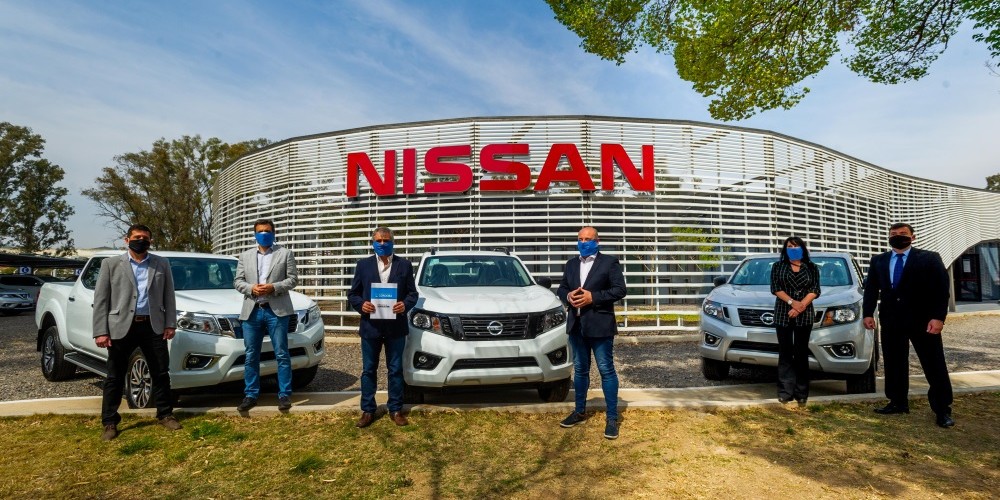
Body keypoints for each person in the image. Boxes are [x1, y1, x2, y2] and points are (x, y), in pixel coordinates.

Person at [93, 224, 180, 441]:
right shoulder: (111, 264)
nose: (141, 240)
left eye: (145, 238)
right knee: (114, 376)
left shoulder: (161, 263)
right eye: (137, 237)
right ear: (127, 239)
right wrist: (100, 331)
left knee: (161, 373)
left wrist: (171, 323)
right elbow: (101, 300)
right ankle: (110, 421)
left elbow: (169, 296)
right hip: (121, 327)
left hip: (153, 326)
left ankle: (165, 414)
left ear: (150, 241)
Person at [863, 223, 954, 428]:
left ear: (913, 237)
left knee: (934, 364)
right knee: (894, 363)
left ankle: (942, 409)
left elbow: (941, 290)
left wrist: (938, 317)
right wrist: (867, 313)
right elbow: (871, 289)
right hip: (892, 321)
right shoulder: (879, 260)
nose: (897, 237)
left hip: (923, 321)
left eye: (903, 234)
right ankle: (897, 402)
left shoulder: (930, 258)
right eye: (893, 234)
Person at [557, 226, 627, 440]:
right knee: (580, 370)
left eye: (588, 239)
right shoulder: (571, 264)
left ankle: (612, 418)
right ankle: (579, 411)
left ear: (597, 241)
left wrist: (593, 297)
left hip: (600, 325)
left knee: (606, 370)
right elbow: (561, 288)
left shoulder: (609, 263)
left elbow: (620, 290)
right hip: (577, 326)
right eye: (580, 238)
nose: (583, 242)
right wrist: (567, 296)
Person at [347, 227, 419, 428]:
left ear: (392, 241)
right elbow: (353, 294)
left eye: (386, 240)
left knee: (395, 369)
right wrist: (362, 305)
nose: (382, 243)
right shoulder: (363, 265)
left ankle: (395, 409)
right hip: (371, 327)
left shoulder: (404, 265)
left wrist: (405, 304)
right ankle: (367, 410)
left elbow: (413, 294)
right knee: (369, 370)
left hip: (396, 327)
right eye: (378, 240)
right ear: (373, 242)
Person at [233, 219, 299, 413]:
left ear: (274, 232)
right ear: (255, 234)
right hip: (252, 310)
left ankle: (284, 394)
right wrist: (251, 288)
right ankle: (251, 394)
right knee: (251, 355)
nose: (264, 234)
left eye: (268, 230)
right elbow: (238, 282)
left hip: (276, 311)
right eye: (260, 231)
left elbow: (293, 279)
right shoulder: (245, 256)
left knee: (281, 353)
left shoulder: (284, 253)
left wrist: (274, 287)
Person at [770, 236, 821, 405]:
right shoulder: (778, 266)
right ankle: (785, 391)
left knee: (801, 353)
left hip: (804, 315)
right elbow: (776, 288)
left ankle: (802, 392)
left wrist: (801, 306)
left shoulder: (812, 267)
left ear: (802, 248)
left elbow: (815, 289)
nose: (793, 248)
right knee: (785, 352)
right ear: (785, 249)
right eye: (790, 246)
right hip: (783, 312)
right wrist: (792, 303)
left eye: (796, 245)